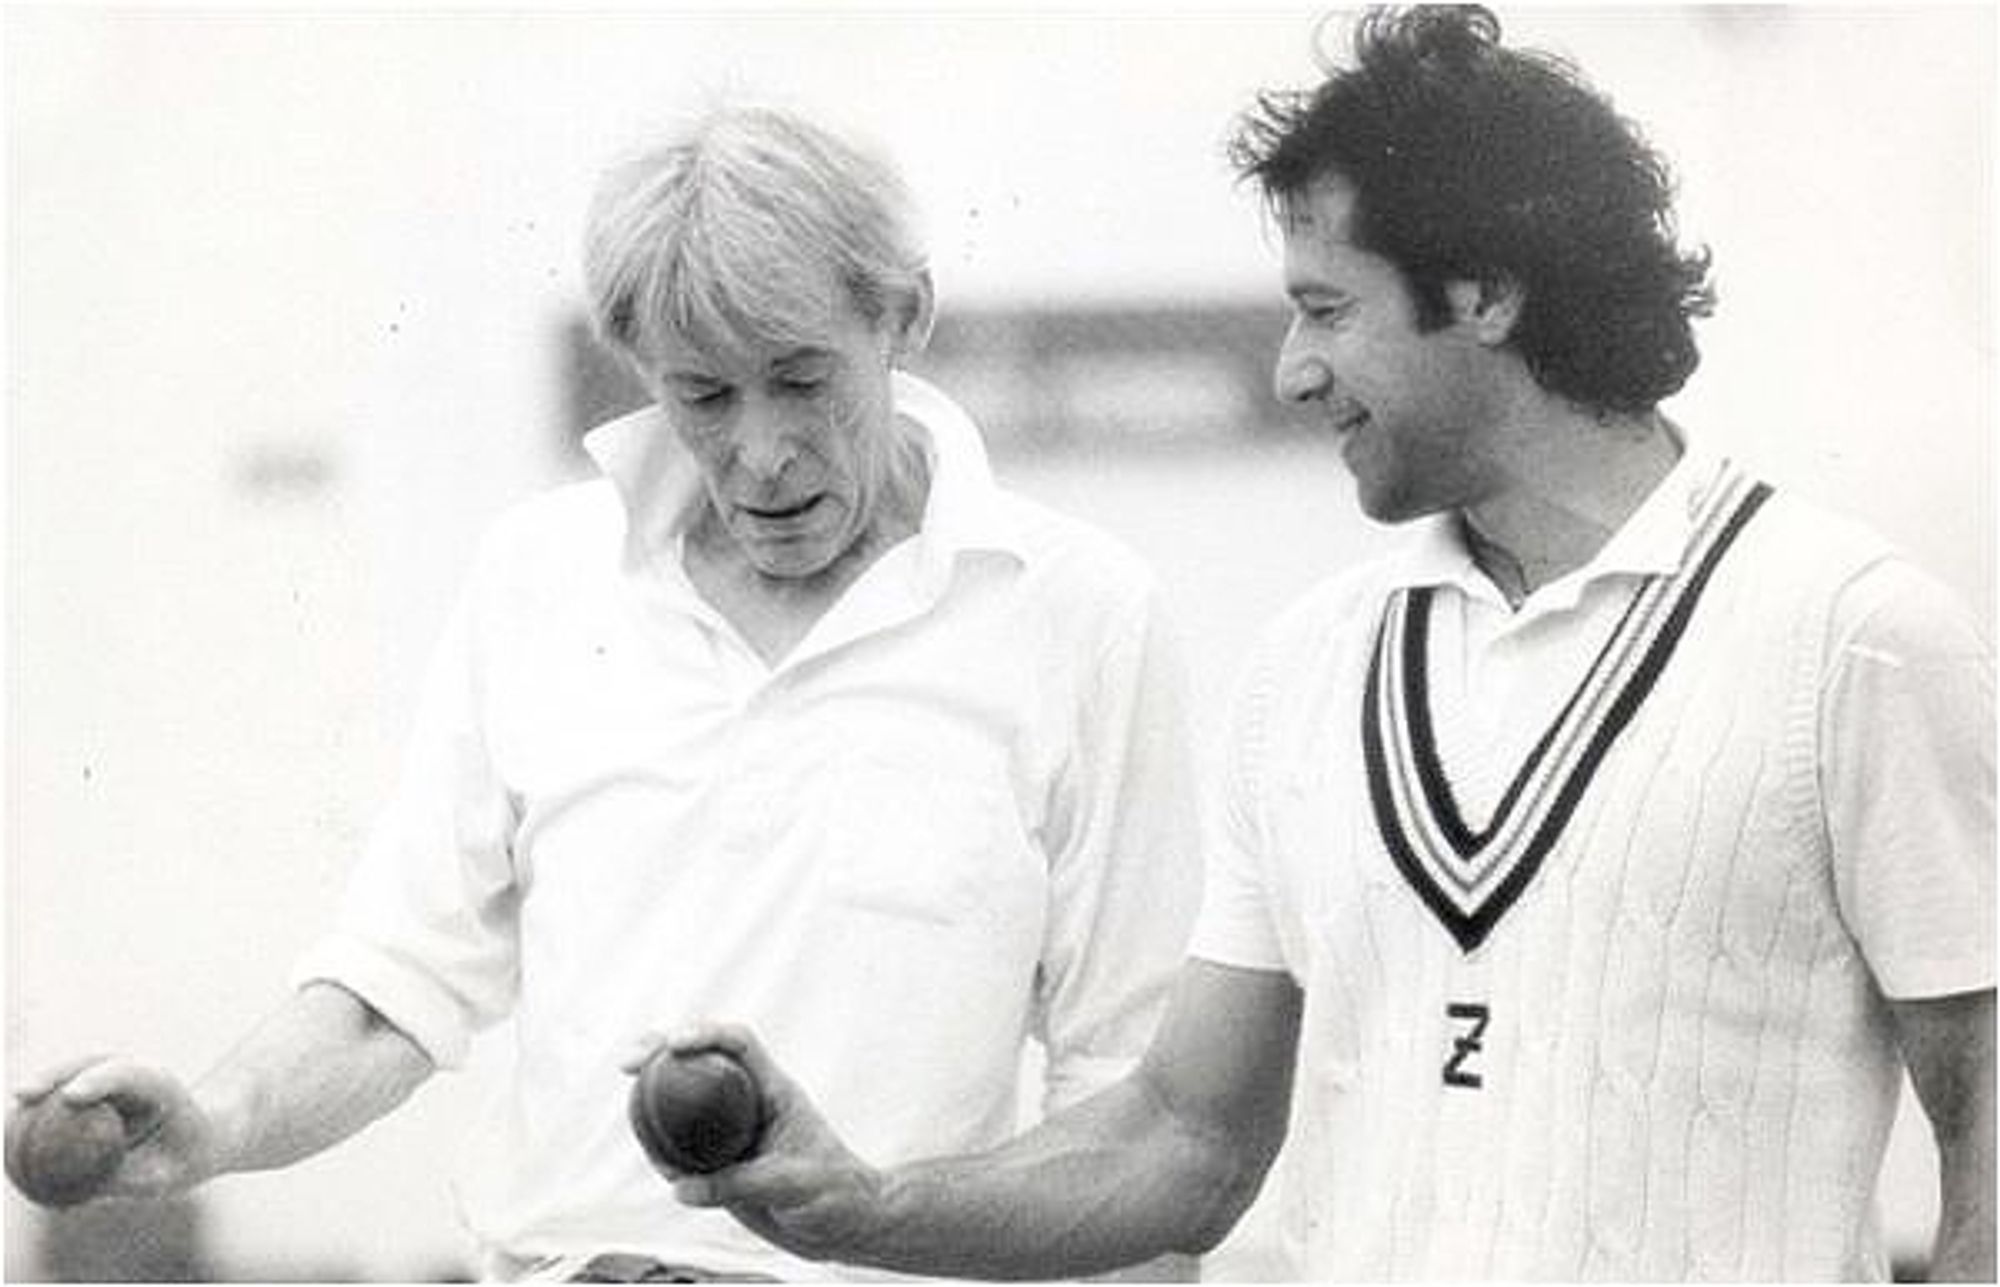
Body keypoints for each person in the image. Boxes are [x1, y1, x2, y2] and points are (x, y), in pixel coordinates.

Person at [652, 8, 1996, 1281]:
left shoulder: (1851, 636)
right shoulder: (1308, 668)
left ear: (1486, 294)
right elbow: (1188, 1134)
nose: (1294, 368)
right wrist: (860, 1204)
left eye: (1328, 307)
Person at [7, 103, 1202, 1281]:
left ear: (906, 318)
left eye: (800, 380)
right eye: (703, 397)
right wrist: (213, 1125)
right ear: (637, 368)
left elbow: (1132, 1107)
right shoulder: (538, 575)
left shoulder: (1081, 613)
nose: (762, 452)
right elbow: (397, 988)